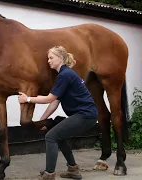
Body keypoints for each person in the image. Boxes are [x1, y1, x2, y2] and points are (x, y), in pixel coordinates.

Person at [18, 46, 98, 180]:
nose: (48, 61)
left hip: (85, 115)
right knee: (58, 136)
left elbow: (50, 98)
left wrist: (28, 99)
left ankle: (49, 174)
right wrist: (41, 121)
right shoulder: (65, 74)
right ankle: (73, 170)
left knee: (51, 136)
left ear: (61, 58)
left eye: (51, 58)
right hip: (85, 115)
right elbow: (54, 102)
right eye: (48, 58)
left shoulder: (65, 75)